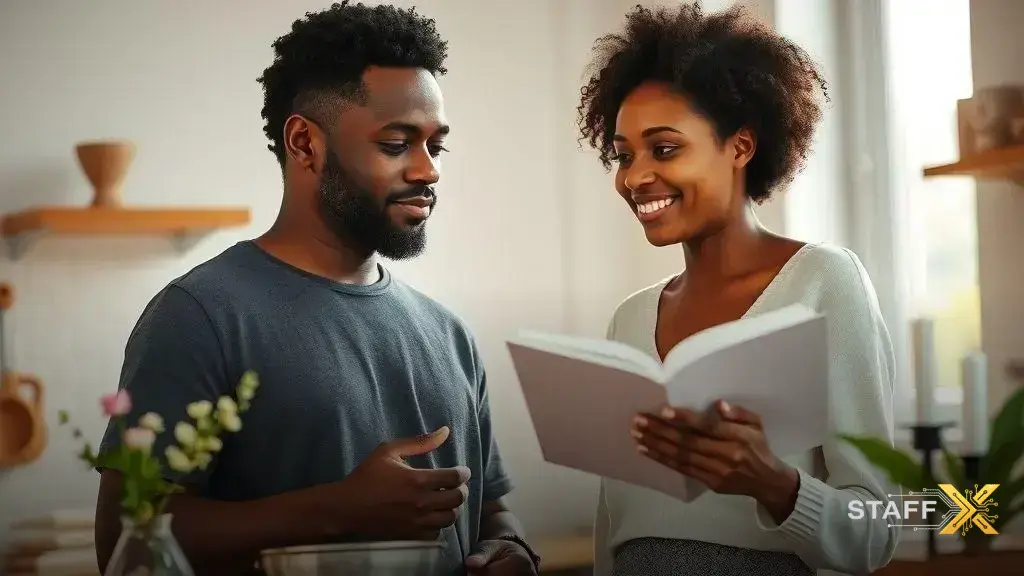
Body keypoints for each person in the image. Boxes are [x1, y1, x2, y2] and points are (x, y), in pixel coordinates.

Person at [93, 3, 540, 575]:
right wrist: (336, 509)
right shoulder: (200, 316)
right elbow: (123, 539)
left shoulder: (449, 335)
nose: (428, 170)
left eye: (436, 145)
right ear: (305, 143)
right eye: (397, 143)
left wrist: (512, 551)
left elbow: (493, 512)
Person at [575, 3, 898, 576]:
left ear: (741, 147)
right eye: (623, 156)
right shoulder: (629, 320)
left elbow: (877, 531)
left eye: (665, 148)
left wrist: (774, 483)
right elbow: (610, 533)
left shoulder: (824, 282)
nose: (634, 176)